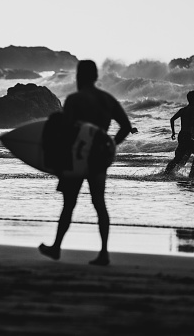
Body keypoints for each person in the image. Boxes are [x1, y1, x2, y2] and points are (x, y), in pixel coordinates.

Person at [39, 60, 132, 266]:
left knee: (69, 204)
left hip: (77, 155)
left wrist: (55, 158)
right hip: (99, 156)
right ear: (96, 77)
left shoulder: (75, 99)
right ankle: (104, 253)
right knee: (99, 203)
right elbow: (125, 126)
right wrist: (111, 145)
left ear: (79, 76)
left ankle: (56, 248)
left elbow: (66, 129)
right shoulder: (108, 99)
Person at [163, 91, 194, 178]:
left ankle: (166, 173)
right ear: (193, 99)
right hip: (187, 137)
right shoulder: (192, 109)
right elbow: (193, 124)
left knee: (178, 159)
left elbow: (172, 119)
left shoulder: (183, 110)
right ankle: (192, 173)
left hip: (182, 136)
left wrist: (173, 132)